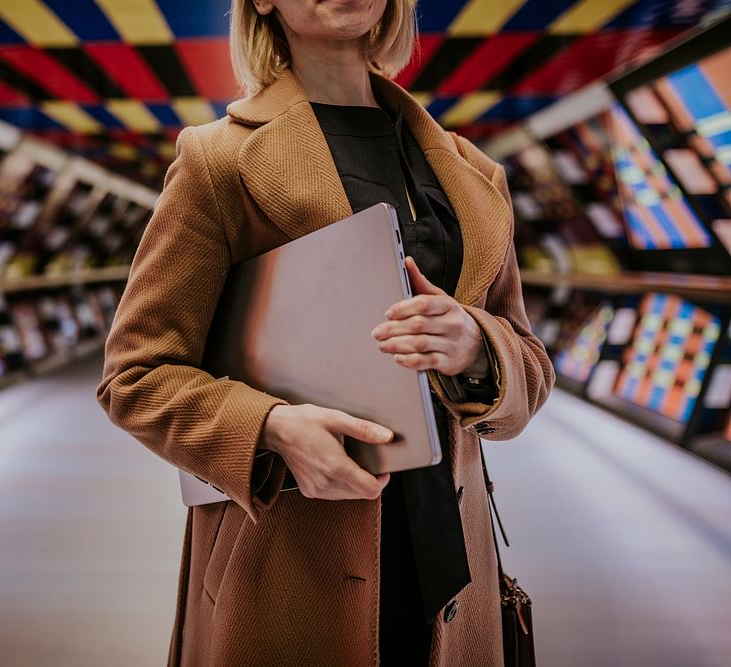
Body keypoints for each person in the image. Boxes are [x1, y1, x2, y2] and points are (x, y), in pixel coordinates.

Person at [96, 1, 554, 665]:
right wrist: (272, 427)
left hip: (451, 568)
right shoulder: (216, 162)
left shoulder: (471, 172)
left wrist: (478, 346)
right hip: (285, 560)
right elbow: (135, 375)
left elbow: (530, 362)